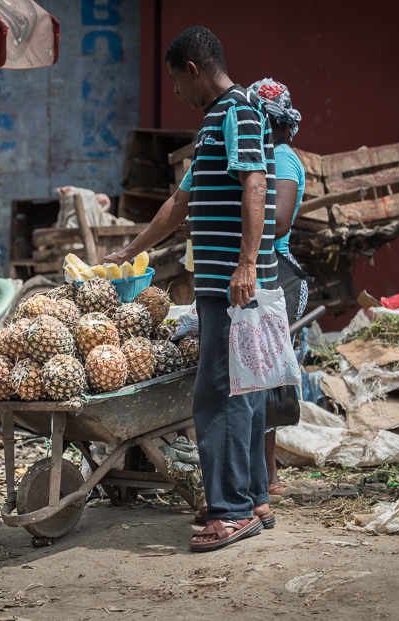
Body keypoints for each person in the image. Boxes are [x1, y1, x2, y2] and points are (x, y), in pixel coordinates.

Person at [103, 26, 276, 552]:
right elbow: (178, 206)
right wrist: (127, 251)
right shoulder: (211, 124)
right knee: (239, 389)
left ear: (194, 71)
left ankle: (231, 512)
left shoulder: (238, 111)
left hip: (235, 285)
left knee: (218, 393)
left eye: (177, 80)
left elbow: (256, 183)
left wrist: (245, 265)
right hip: (225, 285)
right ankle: (250, 499)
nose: (176, 92)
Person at [248, 77, 306, 499]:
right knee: (255, 375)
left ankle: (267, 478)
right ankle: (261, 476)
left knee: (267, 379)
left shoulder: (282, 158)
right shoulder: (262, 155)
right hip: (260, 267)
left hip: (279, 271)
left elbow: (280, 222)